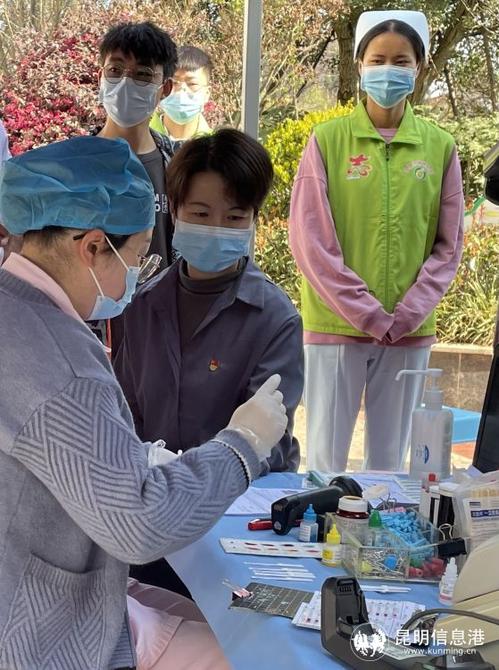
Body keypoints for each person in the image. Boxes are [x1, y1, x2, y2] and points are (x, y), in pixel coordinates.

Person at [0, 135, 288, 670]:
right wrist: (241, 445)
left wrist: (138, 460)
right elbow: (138, 524)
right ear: (92, 247)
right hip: (41, 626)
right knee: (257, 652)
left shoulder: (15, 308)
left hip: (53, 573)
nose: (138, 273)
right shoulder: (64, 363)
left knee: (228, 621)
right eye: (136, 256)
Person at [289, 10, 464, 473]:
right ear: (360, 66)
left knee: (390, 466)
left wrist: (407, 313)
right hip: (335, 326)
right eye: (378, 59)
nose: (389, 70)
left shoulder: (440, 147)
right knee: (324, 465)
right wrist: (365, 311)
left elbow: (448, 246)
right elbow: (310, 239)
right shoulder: (327, 141)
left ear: (419, 67)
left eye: (401, 61)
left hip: (408, 331)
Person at [114, 128, 303, 473]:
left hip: (243, 492)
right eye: (201, 214)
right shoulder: (142, 305)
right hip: (155, 486)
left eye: (234, 218)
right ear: (174, 211)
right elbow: (125, 414)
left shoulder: (276, 320)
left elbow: (270, 440)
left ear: (253, 219)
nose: (217, 227)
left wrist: (202, 475)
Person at [97, 21, 177, 270]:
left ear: (165, 88)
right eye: (115, 70)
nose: (125, 82)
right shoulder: (73, 165)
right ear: (101, 77)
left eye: (143, 74)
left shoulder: (177, 164)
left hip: (161, 294)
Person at [150, 45, 212, 145]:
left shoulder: (219, 148)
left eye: (192, 84)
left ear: (207, 93)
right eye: (174, 82)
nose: (181, 91)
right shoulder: (138, 141)